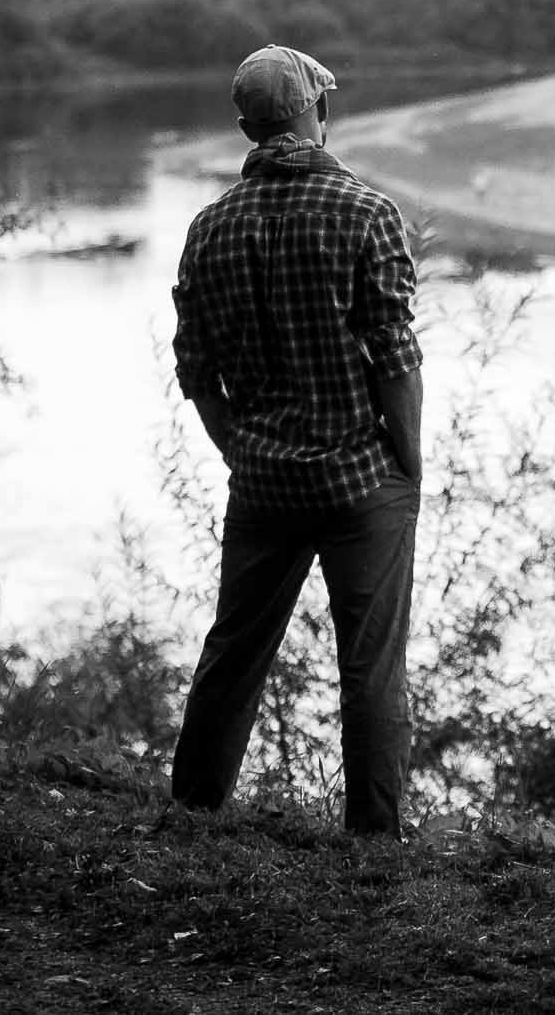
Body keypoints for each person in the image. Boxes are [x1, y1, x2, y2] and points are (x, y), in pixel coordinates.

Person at [167, 45, 427, 837]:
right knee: (370, 667)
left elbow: (195, 371)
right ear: (316, 113)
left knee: (233, 651)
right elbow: (395, 357)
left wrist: (239, 451)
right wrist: (408, 462)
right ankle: (374, 839)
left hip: (261, 483)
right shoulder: (368, 214)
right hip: (359, 479)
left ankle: (194, 810)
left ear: (248, 126)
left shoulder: (208, 228)